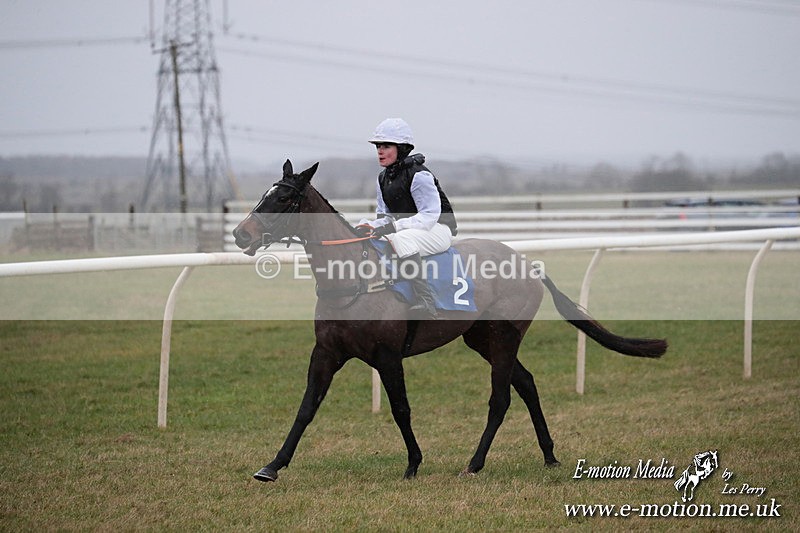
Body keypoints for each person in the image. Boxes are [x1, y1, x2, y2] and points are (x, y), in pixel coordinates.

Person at [356, 118, 458, 317]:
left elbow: (429, 217)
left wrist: (393, 227)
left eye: (386, 146)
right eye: (378, 146)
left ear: (401, 148)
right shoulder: (383, 178)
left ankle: (426, 300)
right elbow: (385, 217)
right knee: (381, 233)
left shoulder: (419, 175)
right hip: (412, 229)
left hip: (438, 230)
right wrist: (368, 225)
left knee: (400, 238)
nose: (380, 151)